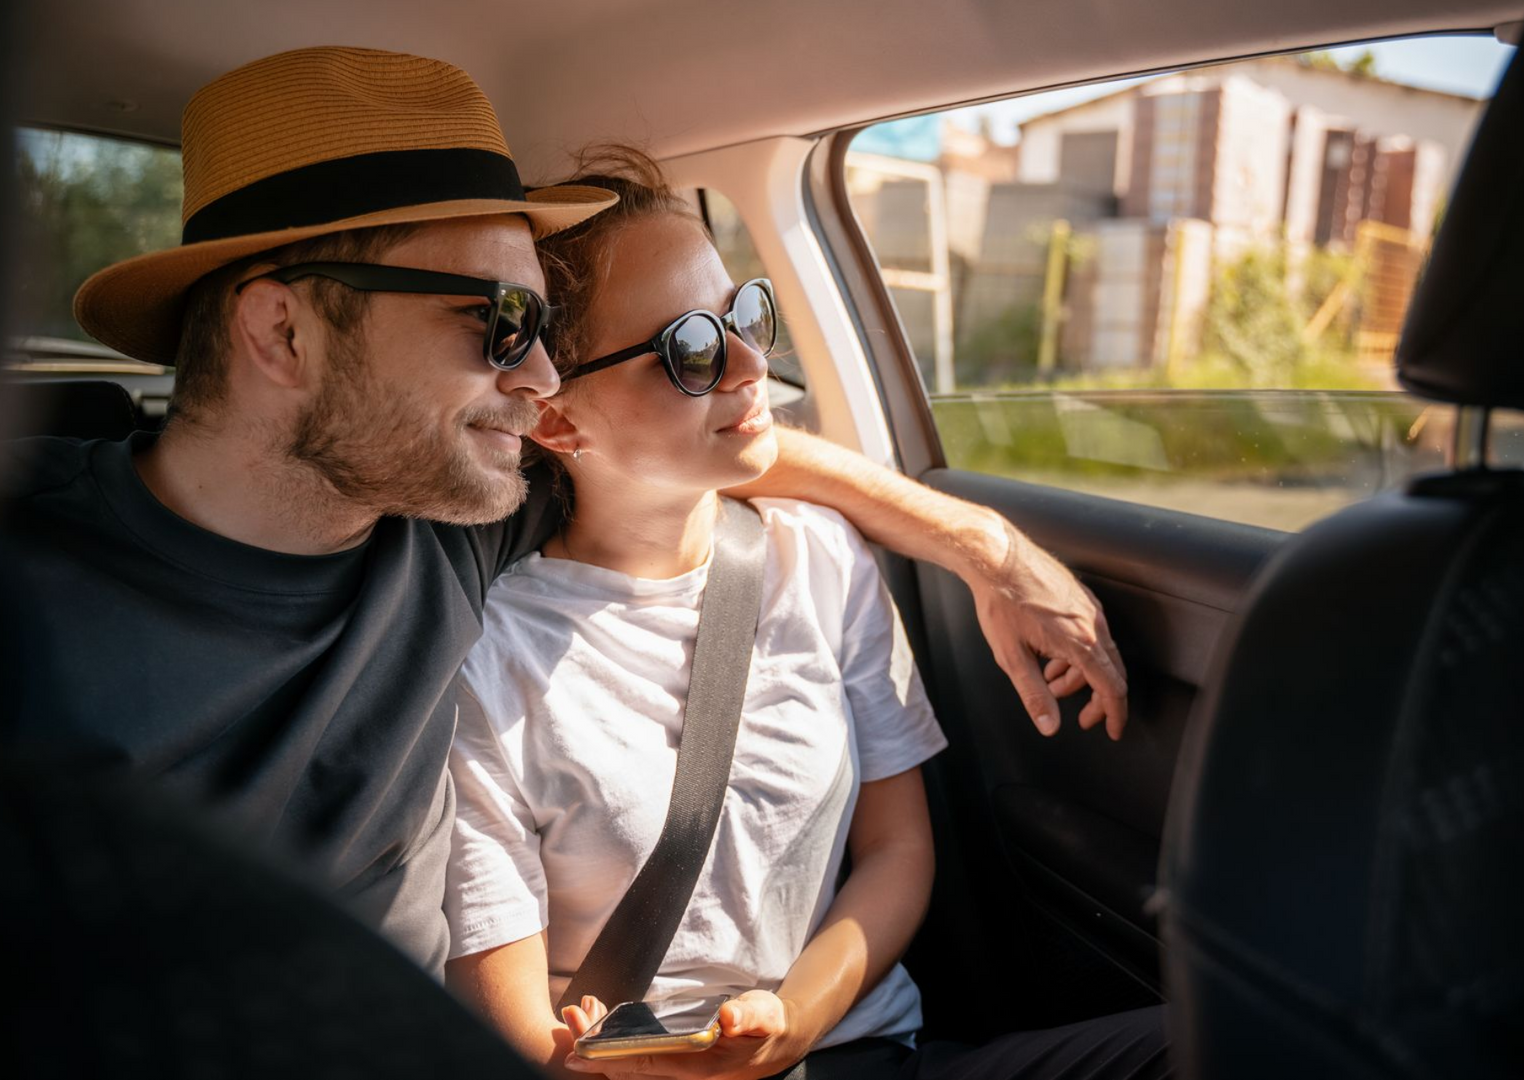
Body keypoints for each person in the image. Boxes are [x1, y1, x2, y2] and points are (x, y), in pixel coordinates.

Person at [0, 46, 1126, 976]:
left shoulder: (452, 519)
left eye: (543, 329)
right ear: (282, 329)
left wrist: (987, 545)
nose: (540, 385)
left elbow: (732, 449)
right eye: (499, 326)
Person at [442, 150, 1168, 1080]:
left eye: (747, 314)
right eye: (692, 349)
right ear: (555, 419)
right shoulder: (491, 654)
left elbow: (898, 848)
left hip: (865, 1052)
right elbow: (509, 1024)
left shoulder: (819, 556)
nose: (754, 363)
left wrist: (793, 1018)